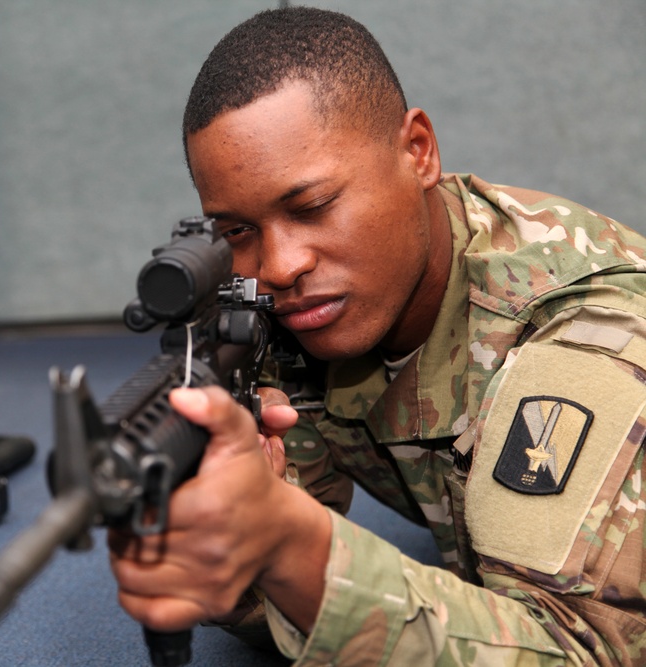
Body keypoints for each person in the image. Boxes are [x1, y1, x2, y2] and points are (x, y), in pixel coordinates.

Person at [106, 6, 646, 666]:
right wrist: (238, 538)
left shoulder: (581, 334)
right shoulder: (299, 312)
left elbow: (574, 650)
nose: (279, 267)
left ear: (417, 151)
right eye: (237, 232)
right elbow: (295, 563)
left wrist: (292, 545)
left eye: (311, 208)